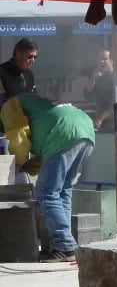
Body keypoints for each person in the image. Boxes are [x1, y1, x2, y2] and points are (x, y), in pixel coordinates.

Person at [0, 93, 95, 262]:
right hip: (86, 130)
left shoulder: (9, 106)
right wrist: (29, 166)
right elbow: (44, 151)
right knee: (63, 191)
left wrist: (18, 162)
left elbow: (17, 135)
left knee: (46, 192)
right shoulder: (33, 102)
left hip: (63, 132)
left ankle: (64, 245)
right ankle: (62, 244)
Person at [85, 49, 117, 131]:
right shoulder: (99, 78)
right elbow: (87, 94)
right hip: (103, 124)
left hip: (115, 123)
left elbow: (116, 104)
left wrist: (100, 119)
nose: (101, 62)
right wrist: (93, 79)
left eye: (105, 59)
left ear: (111, 61)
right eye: (99, 59)